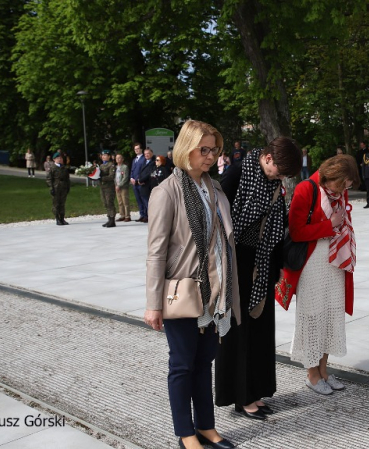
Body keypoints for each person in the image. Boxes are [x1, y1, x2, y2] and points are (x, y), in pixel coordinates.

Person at [144, 120, 238, 449]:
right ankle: (186, 434)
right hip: (183, 292)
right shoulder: (166, 191)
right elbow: (156, 253)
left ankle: (207, 427)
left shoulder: (214, 187)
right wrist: (153, 303)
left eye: (215, 149)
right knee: (182, 365)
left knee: (204, 363)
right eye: (204, 149)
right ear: (187, 149)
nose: (211, 156)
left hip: (215, 293)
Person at [216, 137, 302, 420]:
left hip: (262, 263)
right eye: (279, 172)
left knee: (261, 328)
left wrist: (275, 267)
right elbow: (217, 220)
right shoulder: (237, 173)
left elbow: (276, 224)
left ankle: (256, 390)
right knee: (239, 331)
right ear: (267, 159)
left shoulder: (272, 181)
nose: (281, 178)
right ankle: (240, 397)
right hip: (236, 262)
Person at [276, 155, 360, 395]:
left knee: (331, 314)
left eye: (348, 185)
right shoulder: (306, 189)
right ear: (331, 175)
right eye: (343, 183)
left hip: (334, 262)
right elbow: (296, 231)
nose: (345, 188)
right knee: (313, 316)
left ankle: (324, 370)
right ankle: (312, 375)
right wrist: (330, 225)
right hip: (312, 262)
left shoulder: (337, 193)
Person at [46, 151, 70, 226]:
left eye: (60, 158)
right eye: (57, 158)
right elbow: (49, 179)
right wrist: (51, 188)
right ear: (54, 159)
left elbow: (67, 179)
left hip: (63, 187)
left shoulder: (64, 168)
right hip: (56, 187)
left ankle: (62, 218)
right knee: (56, 204)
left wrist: (68, 187)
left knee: (62, 203)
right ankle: (57, 218)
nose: (59, 159)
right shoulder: (52, 168)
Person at [97, 150, 117, 228]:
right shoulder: (101, 166)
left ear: (109, 156)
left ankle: (112, 220)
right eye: (102, 155)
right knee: (105, 202)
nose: (103, 157)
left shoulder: (111, 165)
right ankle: (109, 218)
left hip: (109, 187)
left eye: (105, 155)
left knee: (109, 202)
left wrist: (102, 178)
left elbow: (111, 176)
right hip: (103, 187)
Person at [130, 143, 148, 223]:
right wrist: (131, 178)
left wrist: (137, 179)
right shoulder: (134, 160)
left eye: (138, 148)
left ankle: (146, 215)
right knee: (138, 199)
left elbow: (142, 171)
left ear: (141, 149)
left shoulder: (144, 159)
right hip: (134, 183)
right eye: (135, 149)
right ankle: (141, 214)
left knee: (143, 199)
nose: (136, 150)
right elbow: (132, 170)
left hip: (140, 182)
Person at [138, 148, 157, 218]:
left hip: (148, 185)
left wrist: (141, 180)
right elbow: (141, 172)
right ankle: (146, 216)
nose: (146, 155)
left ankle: (152, 217)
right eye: (145, 154)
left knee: (149, 203)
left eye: (148, 153)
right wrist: (139, 179)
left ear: (151, 154)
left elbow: (150, 173)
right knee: (145, 202)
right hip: (143, 185)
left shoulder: (153, 162)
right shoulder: (144, 162)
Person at [114, 153, 131, 222]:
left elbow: (125, 177)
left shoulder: (125, 167)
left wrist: (119, 185)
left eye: (119, 158)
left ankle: (127, 216)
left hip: (123, 187)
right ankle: (122, 215)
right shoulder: (115, 167)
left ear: (122, 159)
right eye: (116, 158)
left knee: (125, 201)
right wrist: (116, 185)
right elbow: (115, 177)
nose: (118, 159)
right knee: (120, 202)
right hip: (117, 186)